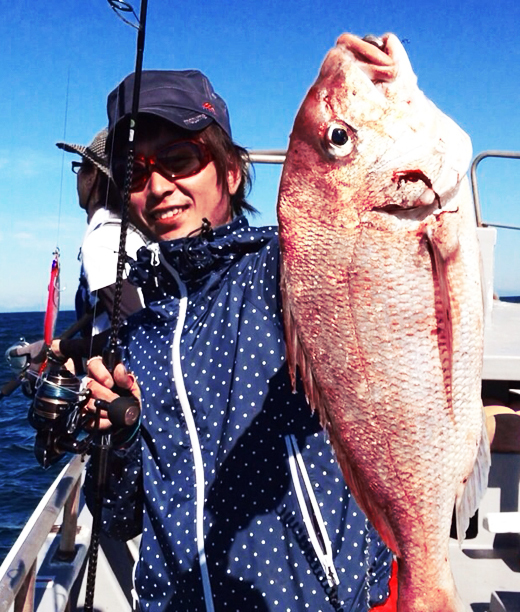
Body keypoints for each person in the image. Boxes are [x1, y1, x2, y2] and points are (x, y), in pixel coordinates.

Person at [85, 69, 393, 612]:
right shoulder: (138, 330)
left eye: (179, 160)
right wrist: (122, 432)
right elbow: (115, 517)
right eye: (135, 172)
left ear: (230, 170)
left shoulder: (293, 269)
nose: (157, 188)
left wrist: (361, 83)